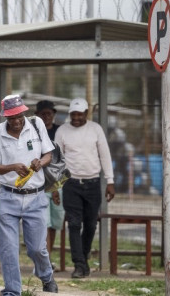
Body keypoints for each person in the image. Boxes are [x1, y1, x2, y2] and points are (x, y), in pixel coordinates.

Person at [0, 94, 58, 295]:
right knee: (8, 249)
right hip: (8, 197)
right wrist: (11, 167)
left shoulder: (36, 125)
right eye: (11, 118)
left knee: (36, 248)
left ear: (24, 112)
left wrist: (39, 163)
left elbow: (49, 155)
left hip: (35, 196)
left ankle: (46, 275)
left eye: (19, 116)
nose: (16, 121)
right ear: (5, 117)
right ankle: (12, 291)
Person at [55, 97, 115, 279]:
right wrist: (55, 189)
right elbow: (57, 161)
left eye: (79, 114)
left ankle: (84, 256)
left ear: (86, 114)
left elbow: (105, 155)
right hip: (71, 184)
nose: (76, 118)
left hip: (93, 184)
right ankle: (79, 265)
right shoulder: (62, 131)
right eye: (73, 114)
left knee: (90, 225)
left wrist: (110, 181)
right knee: (73, 224)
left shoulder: (95, 129)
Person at [34, 100, 65, 268]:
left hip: (58, 183)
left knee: (54, 222)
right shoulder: (32, 132)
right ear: (37, 115)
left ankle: (48, 257)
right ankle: (44, 260)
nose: (46, 117)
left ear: (53, 114)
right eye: (43, 114)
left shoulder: (59, 132)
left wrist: (56, 187)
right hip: (39, 183)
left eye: (49, 113)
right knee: (43, 223)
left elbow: (61, 161)